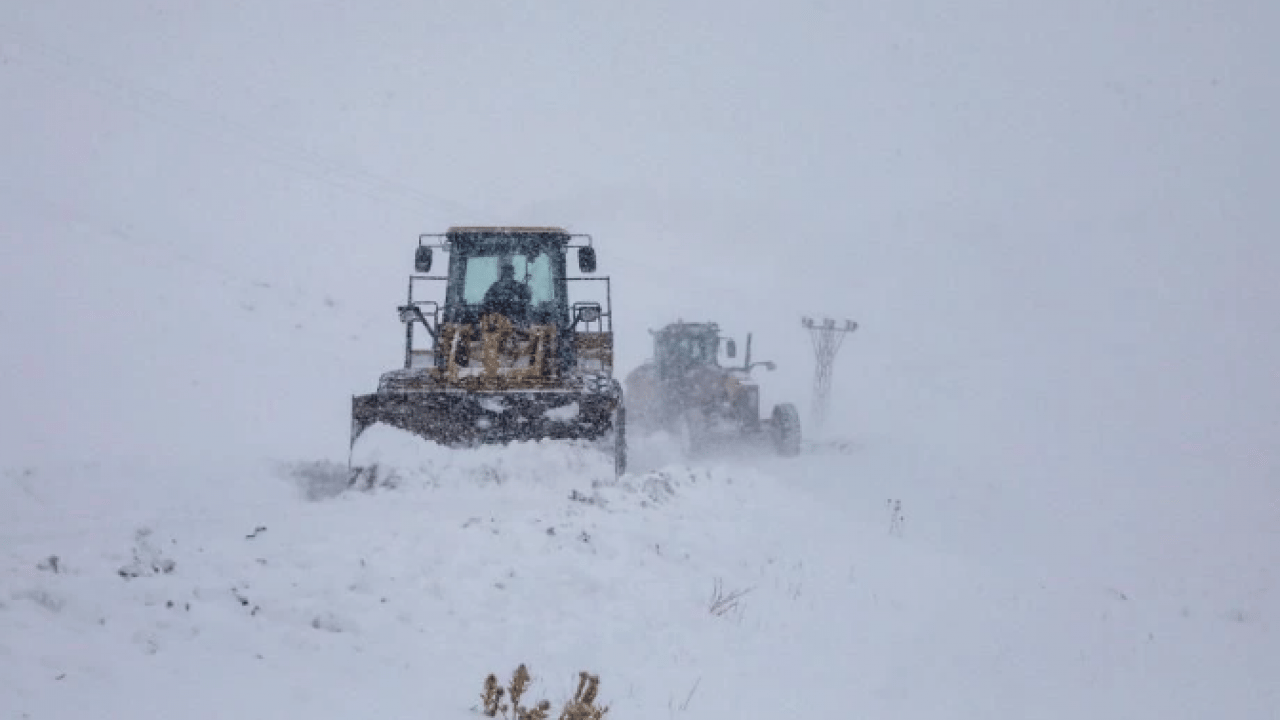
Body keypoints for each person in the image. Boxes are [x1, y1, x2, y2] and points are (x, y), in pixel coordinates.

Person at [481, 257, 532, 322]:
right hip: (498, 319)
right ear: (502, 274)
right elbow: (487, 301)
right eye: (505, 273)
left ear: (512, 274)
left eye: (509, 273)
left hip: (516, 319)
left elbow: (527, 299)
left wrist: (526, 291)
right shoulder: (495, 286)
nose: (507, 276)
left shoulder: (519, 286)